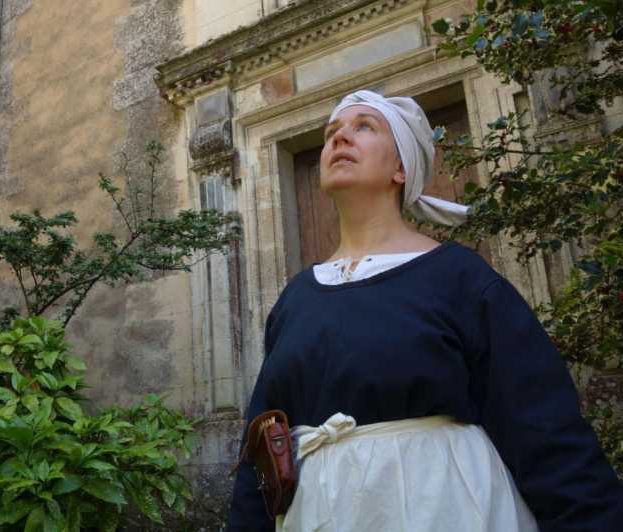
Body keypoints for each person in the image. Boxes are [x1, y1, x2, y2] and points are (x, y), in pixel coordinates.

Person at [225, 90, 623, 531]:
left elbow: (545, 431)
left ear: (401, 167)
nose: (339, 139)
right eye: (331, 133)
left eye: (363, 127)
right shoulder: (296, 298)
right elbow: (260, 444)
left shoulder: (460, 279)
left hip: (447, 509)